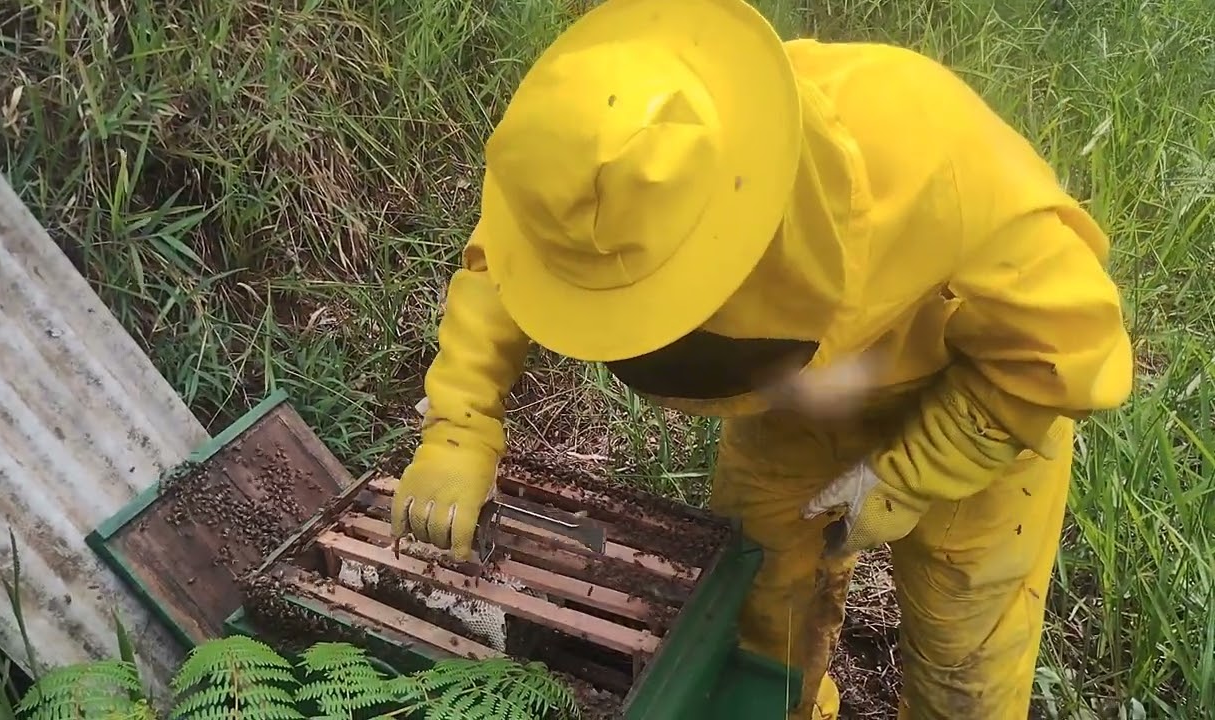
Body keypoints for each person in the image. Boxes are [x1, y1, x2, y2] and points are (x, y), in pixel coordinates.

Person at [388, 0, 1134, 716]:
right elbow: (504, 272)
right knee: (754, 626)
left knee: (966, 659)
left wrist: (911, 478)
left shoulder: (942, 160)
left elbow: (1062, 349)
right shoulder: (573, 158)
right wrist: (459, 425)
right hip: (790, 416)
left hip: (977, 413)